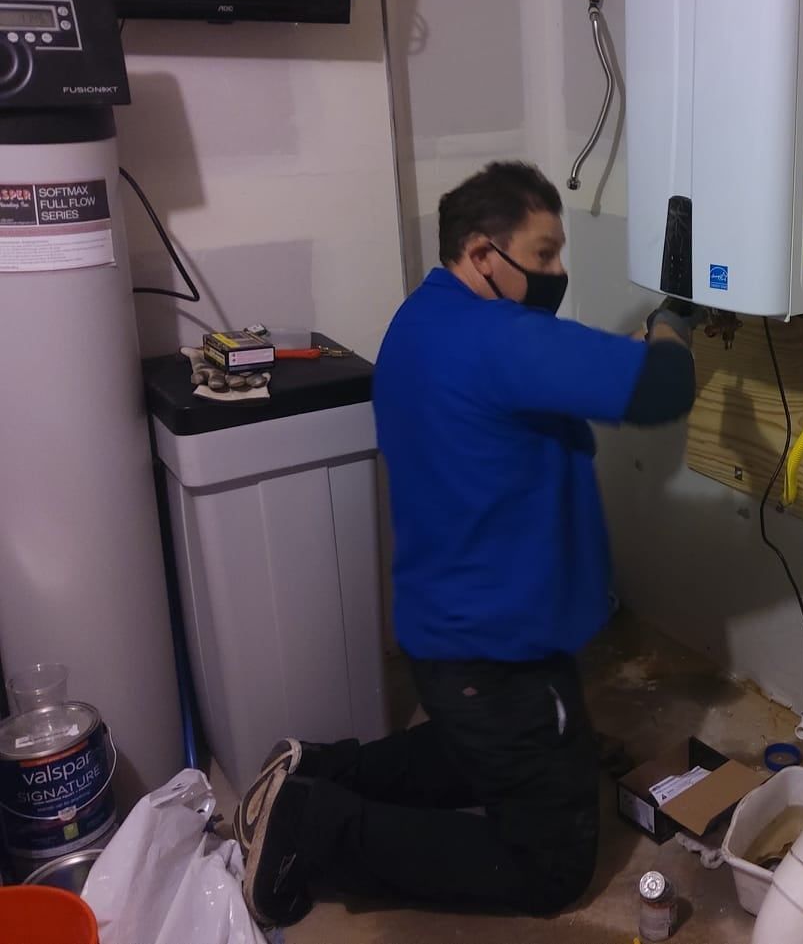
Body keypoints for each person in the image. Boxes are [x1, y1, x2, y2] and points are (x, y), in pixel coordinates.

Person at [236, 161, 699, 926]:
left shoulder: (421, 319)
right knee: (551, 866)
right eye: (544, 253)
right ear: (484, 253)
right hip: (501, 648)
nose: (557, 271)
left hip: (448, 635)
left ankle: (318, 769)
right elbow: (661, 389)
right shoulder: (500, 341)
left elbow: (537, 381)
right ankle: (313, 830)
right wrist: (673, 325)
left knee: (485, 746)